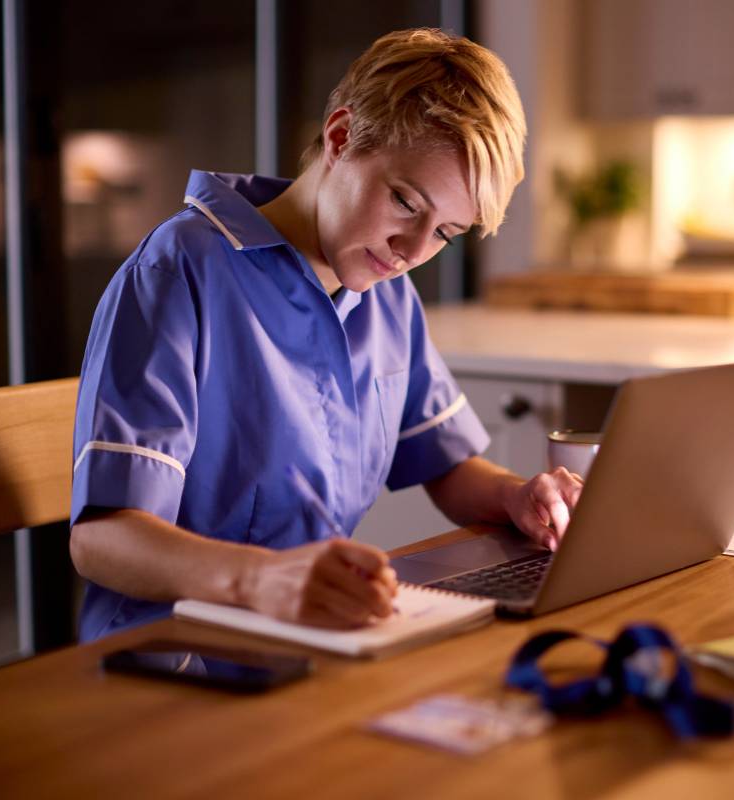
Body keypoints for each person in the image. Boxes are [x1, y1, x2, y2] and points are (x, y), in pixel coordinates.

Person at [69, 28, 583, 641]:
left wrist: (516, 496)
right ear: (340, 137)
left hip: (307, 639)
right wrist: (259, 580)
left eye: (446, 233)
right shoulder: (180, 270)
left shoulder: (383, 288)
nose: (414, 251)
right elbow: (102, 539)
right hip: (171, 655)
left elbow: (444, 463)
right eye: (404, 202)